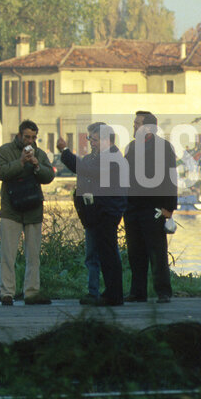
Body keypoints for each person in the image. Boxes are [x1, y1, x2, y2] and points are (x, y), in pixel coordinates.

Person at [58, 122, 127, 306]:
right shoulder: (105, 157)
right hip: (102, 212)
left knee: (109, 254)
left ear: (106, 140)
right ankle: (111, 293)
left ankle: (113, 295)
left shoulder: (111, 158)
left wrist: (65, 152)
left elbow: (87, 170)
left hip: (107, 211)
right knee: (106, 254)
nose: (91, 143)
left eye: (94, 140)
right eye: (90, 139)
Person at [0, 120, 56, 306]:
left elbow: (49, 176)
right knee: (8, 254)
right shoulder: (5, 151)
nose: (30, 140)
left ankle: (31, 292)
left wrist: (37, 165)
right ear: (19, 135)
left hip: (33, 210)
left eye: (33, 137)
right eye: (27, 136)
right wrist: (20, 162)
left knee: (33, 255)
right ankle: (7, 293)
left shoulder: (40, 153)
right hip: (11, 210)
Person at [123, 111, 177, 303]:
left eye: (138, 124)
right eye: (134, 123)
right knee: (135, 253)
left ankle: (163, 291)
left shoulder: (164, 148)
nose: (134, 127)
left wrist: (169, 209)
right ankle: (138, 292)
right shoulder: (130, 148)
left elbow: (171, 180)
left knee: (157, 253)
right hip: (132, 208)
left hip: (154, 209)